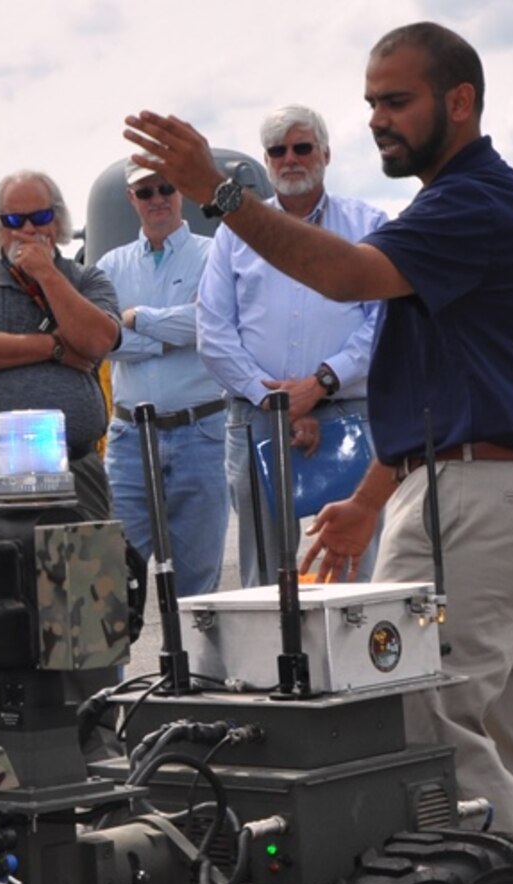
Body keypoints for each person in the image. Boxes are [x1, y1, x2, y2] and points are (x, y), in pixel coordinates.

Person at [127, 21, 513, 884]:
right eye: (370, 101)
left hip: (482, 495)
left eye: (393, 100)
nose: (374, 119)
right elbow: (444, 381)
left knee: (430, 717)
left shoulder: (473, 202)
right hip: (458, 481)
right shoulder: (451, 208)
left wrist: (225, 198)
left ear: (458, 103)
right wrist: (370, 496)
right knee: (512, 713)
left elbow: (346, 278)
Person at [198, 105, 387, 587]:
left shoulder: (369, 223)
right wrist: (276, 399)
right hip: (258, 418)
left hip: (349, 415)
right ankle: (273, 666)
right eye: (277, 151)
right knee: (265, 579)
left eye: (302, 147)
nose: (291, 159)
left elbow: (384, 322)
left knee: (352, 571)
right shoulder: (234, 233)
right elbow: (214, 331)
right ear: (265, 161)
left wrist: (321, 383)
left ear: (325, 152)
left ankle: (349, 664)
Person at [0, 170, 121, 522]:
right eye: (14, 220)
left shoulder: (87, 280)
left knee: (88, 572)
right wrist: (55, 348)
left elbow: (98, 339)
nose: (28, 230)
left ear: (58, 220)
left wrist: (47, 274)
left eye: (40, 217)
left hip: (76, 471)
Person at [94, 161, 226, 596]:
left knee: (198, 589)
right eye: (146, 192)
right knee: (113, 581)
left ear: (181, 192)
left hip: (201, 435)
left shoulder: (214, 253)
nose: (158, 199)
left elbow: (212, 323)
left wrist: (135, 319)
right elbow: (100, 340)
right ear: (132, 199)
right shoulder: (110, 266)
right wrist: (167, 335)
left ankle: (197, 669)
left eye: (166, 188)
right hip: (131, 439)